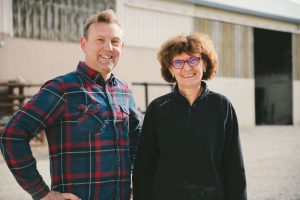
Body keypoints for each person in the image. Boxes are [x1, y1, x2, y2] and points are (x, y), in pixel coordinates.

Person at [0, 9, 142, 200]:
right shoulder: (62, 89)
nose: (108, 47)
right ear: (84, 44)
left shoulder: (124, 91)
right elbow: (12, 135)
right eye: (100, 40)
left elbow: (137, 139)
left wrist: (128, 174)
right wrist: (42, 194)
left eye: (115, 41)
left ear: (121, 46)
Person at [132, 32, 247, 200]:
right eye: (178, 62)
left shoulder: (222, 107)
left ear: (205, 64)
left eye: (193, 60)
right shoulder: (157, 109)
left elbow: (234, 167)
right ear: (170, 69)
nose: (186, 68)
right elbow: (144, 168)